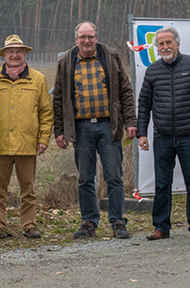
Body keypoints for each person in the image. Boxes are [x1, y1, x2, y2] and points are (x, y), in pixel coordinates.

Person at [53, 22, 136, 239]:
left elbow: (126, 91)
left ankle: (118, 221)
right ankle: (89, 221)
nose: (86, 40)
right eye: (82, 37)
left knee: (114, 177)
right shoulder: (66, 62)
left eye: (90, 36)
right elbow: (59, 99)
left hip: (109, 126)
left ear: (97, 37)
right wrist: (59, 131)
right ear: (76, 39)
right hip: (81, 129)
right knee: (85, 178)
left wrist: (130, 122)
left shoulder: (111, 57)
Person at [137, 26, 190, 241]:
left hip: (189, 136)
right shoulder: (152, 71)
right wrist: (141, 133)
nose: (164, 47)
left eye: (168, 42)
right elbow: (144, 104)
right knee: (162, 183)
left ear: (177, 44)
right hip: (161, 137)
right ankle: (161, 227)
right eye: (160, 44)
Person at [0, 35, 53, 239]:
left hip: (28, 143)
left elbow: (46, 112)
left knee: (28, 189)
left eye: (18, 51)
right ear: (4, 54)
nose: (14, 55)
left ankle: (29, 225)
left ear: (24, 53)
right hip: (1, 143)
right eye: (10, 51)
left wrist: (43, 139)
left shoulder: (38, 79)